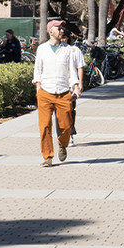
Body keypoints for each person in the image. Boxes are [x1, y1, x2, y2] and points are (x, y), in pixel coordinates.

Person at [32, 19, 81, 167]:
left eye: (61, 29)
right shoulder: (42, 49)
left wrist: (76, 86)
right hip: (45, 92)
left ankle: (63, 144)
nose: (61, 31)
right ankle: (47, 157)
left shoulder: (68, 49)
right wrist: (38, 88)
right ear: (50, 31)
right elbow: (37, 70)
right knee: (45, 126)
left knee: (66, 125)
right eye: (58, 28)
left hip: (63, 92)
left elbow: (72, 71)